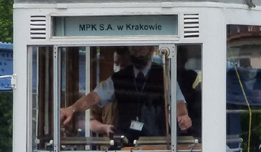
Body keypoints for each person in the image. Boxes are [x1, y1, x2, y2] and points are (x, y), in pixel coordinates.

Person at [61, 45, 192, 144]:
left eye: (140, 49)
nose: (137, 54)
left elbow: (178, 101)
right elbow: (94, 97)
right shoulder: (118, 78)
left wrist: (183, 115)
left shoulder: (164, 75)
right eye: (133, 50)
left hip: (155, 140)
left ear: (151, 50)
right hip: (125, 141)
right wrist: (73, 108)